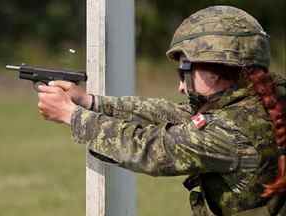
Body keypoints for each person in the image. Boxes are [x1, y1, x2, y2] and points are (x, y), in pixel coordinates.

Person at [37, 6, 286, 216]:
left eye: (184, 74)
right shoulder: (263, 100)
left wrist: (71, 115)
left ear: (215, 71)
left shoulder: (227, 132)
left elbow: (149, 148)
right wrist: (91, 102)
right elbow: (174, 114)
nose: (180, 86)